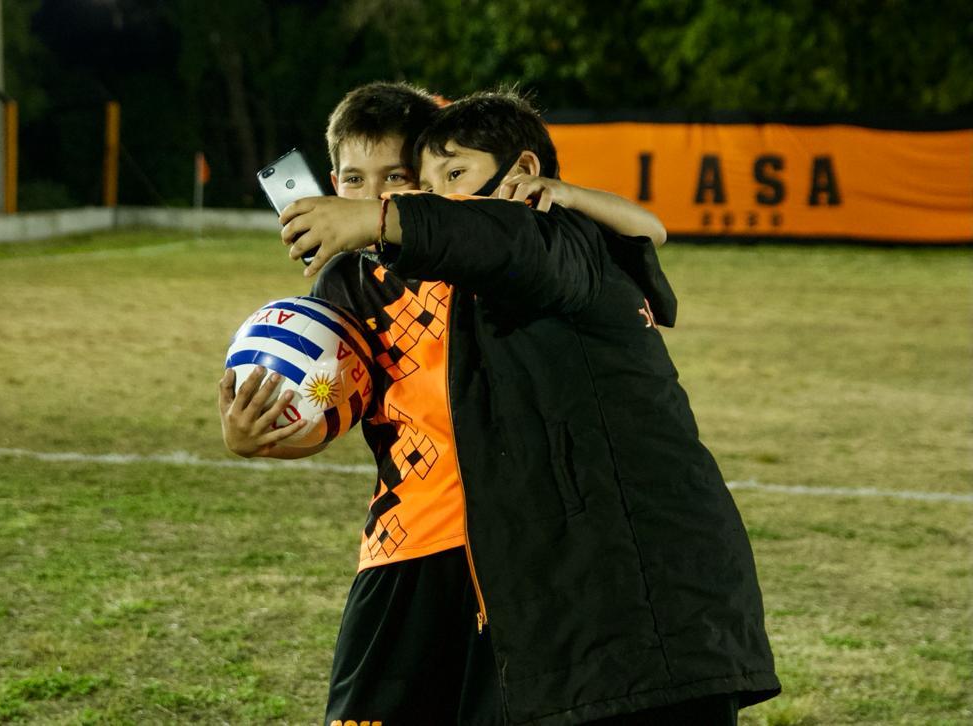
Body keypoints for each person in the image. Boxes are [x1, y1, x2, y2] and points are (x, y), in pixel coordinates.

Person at [277, 89, 781, 725]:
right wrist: (271, 429)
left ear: (522, 173)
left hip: (636, 578)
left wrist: (381, 220)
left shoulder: (560, 237)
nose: (409, 198)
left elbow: (527, 245)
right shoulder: (363, 278)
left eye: (420, 181)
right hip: (442, 551)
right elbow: (352, 398)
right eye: (357, 181)